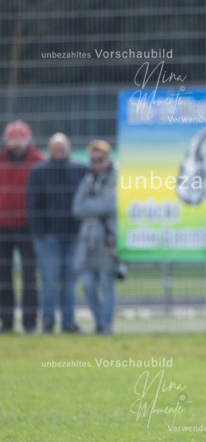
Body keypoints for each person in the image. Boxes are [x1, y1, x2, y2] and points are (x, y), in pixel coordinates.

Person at [26, 133, 87, 333]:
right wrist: (40, 233)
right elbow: (32, 206)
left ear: (69, 149)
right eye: (55, 148)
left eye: (63, 148)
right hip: (48, 238)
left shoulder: (80, 170)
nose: (59, 151)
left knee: (69, 282)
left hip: (74, 237)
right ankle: (48, 321)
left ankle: (68, 322)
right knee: (50, 281)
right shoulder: (39, 172)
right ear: (49, 149)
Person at [0, 120, 45, 333]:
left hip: (27, 226)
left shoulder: (38, 161)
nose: (16, 142)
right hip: (2, 226)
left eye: (20, 138)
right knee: (3, 277)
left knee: (29, 276)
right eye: (12, 138)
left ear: (29, 139)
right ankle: (6, 323)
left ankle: (29, 323)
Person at [72, 140, 119, 334]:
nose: (96, 164)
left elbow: (112, 204)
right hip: (87, 240)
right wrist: (96, 206)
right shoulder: (87, 179)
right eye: (93, 160)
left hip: (107, 238)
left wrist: (90, 206)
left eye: (100, 159)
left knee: (107, 283)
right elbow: (76, 208)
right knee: (88, 284)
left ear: (108, 159)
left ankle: (105, 325)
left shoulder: (117, 178)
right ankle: (99, 320)